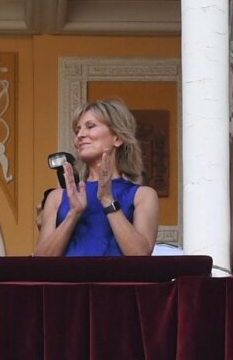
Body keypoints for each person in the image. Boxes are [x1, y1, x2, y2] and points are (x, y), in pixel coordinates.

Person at [33, 99, 159, 257]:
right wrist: (74, 214)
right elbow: (41, 261)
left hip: (118, 281)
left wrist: (107, 199)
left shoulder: (143, 195)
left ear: (117, 138)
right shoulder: (57, 197)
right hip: (70, 281)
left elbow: (140, 255)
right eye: (77, 130)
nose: (80, 135)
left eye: (90, 126)